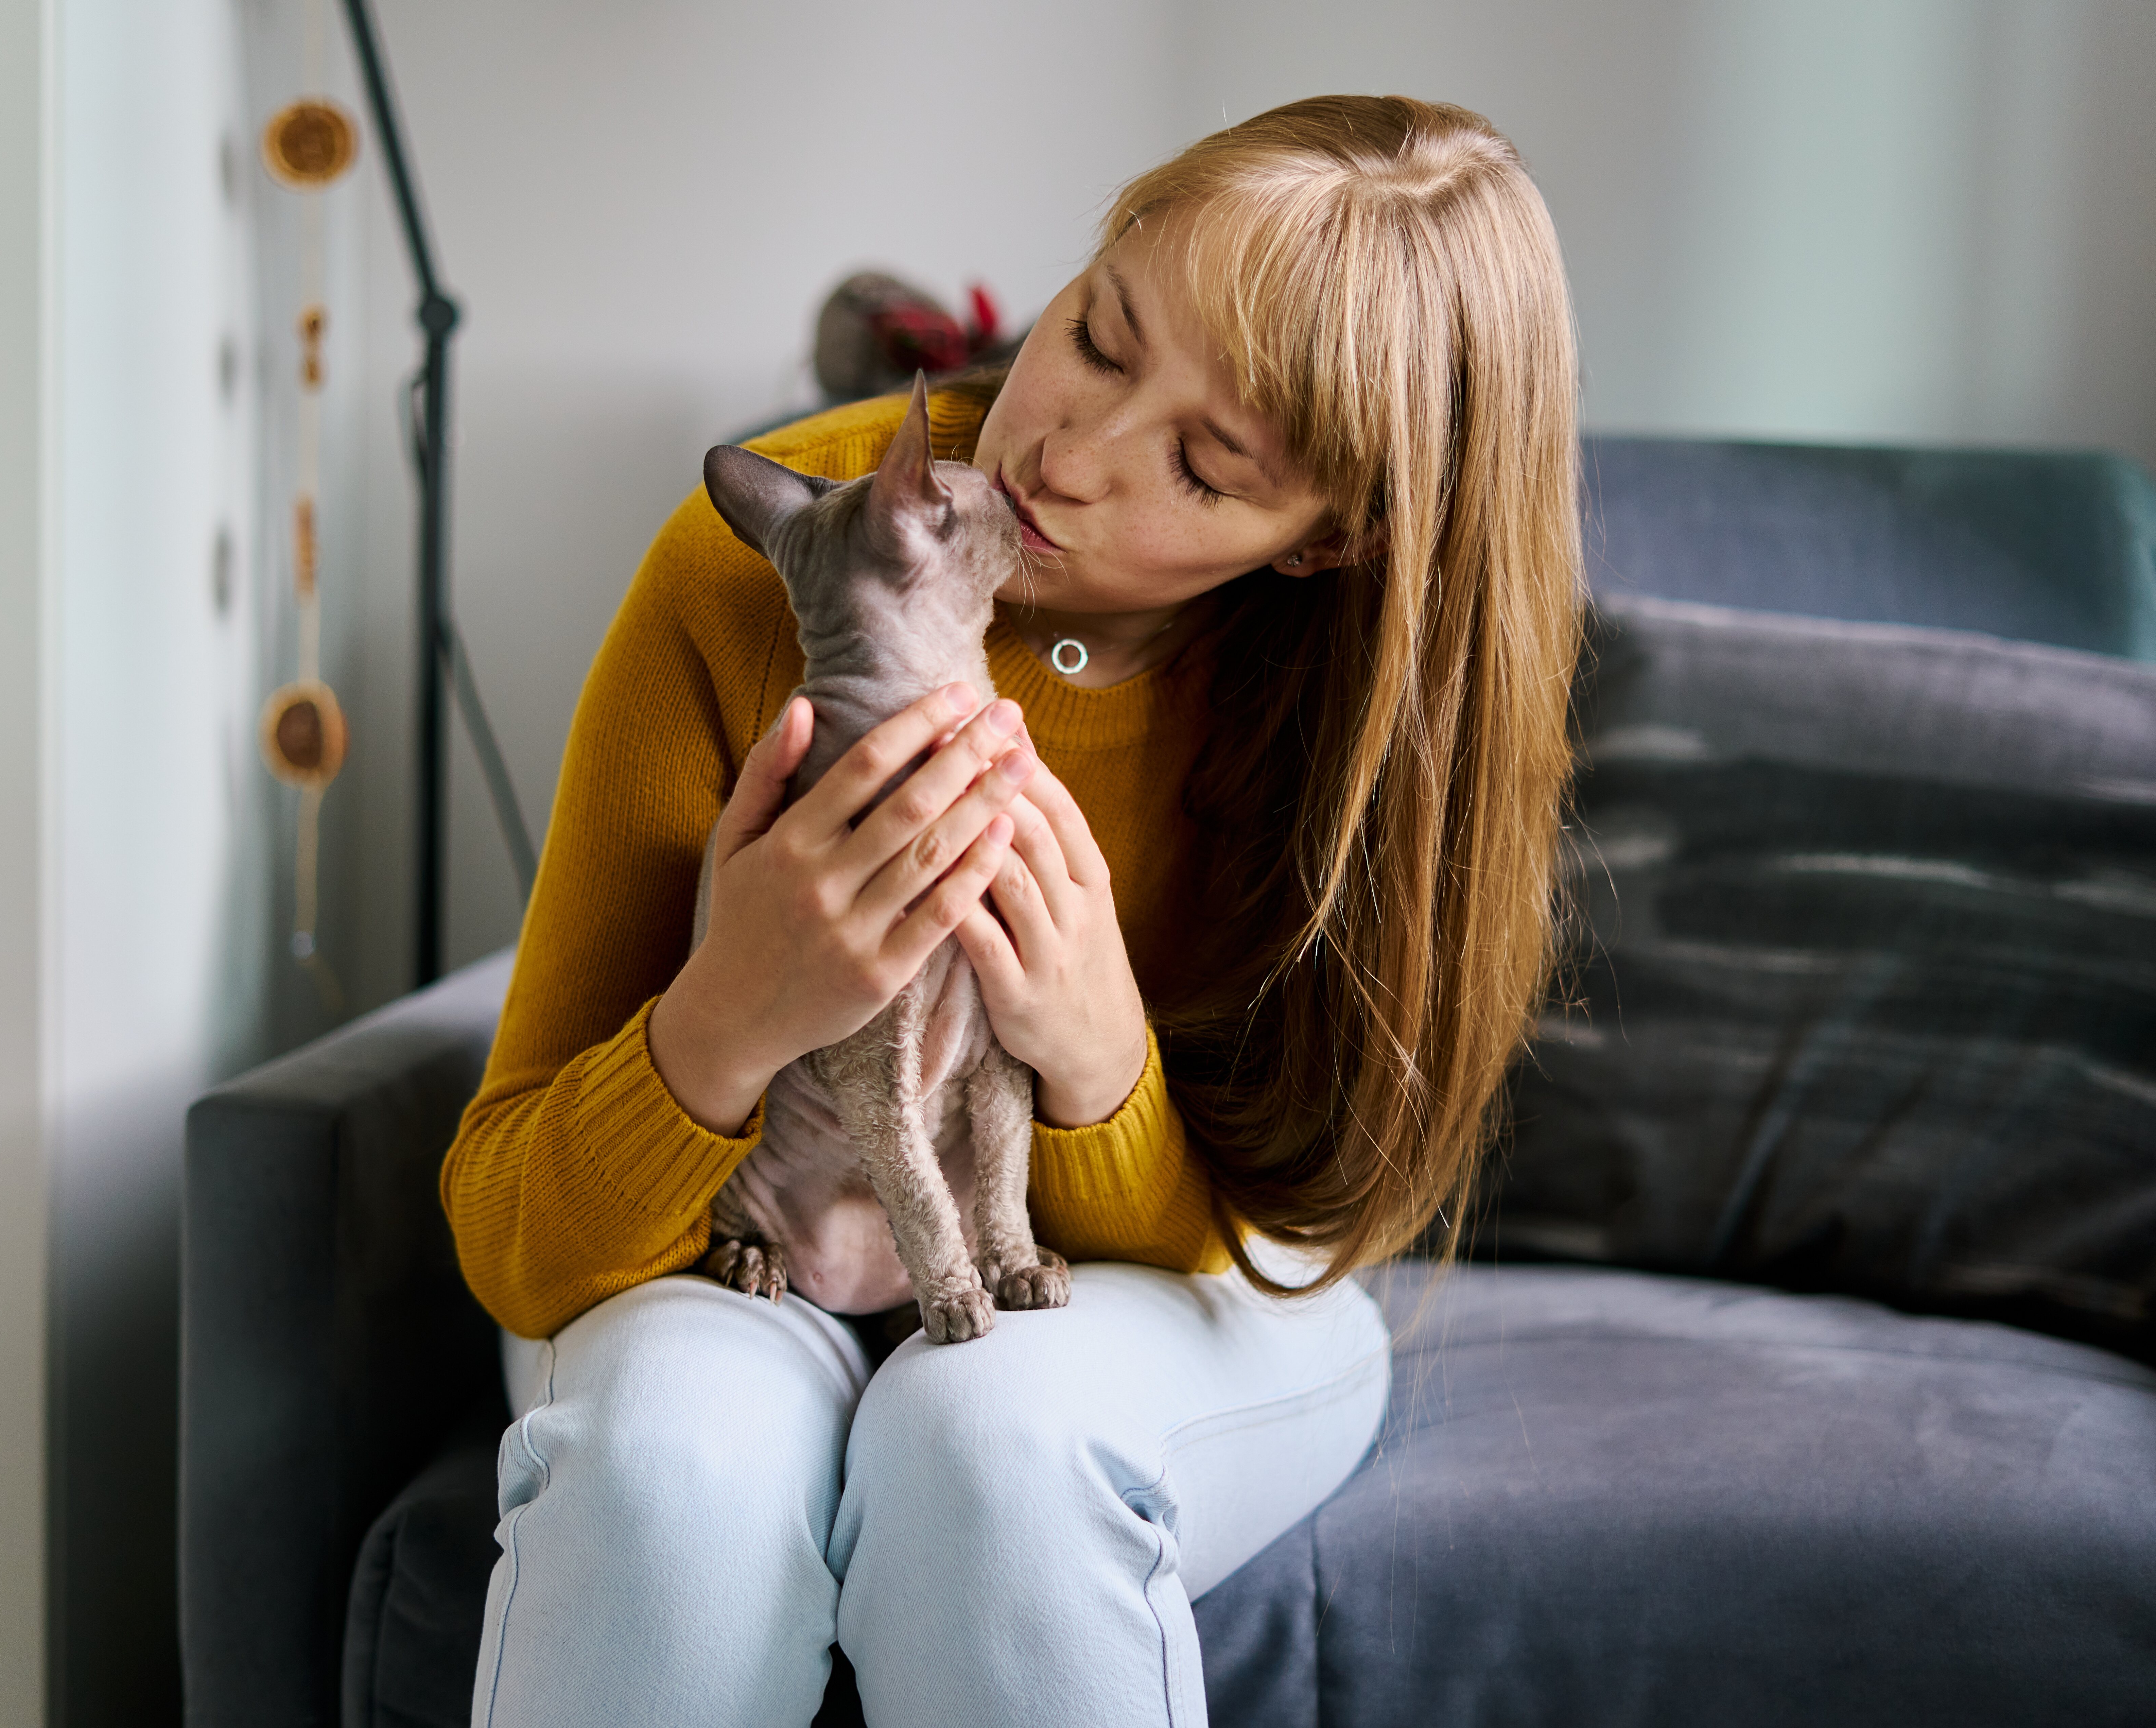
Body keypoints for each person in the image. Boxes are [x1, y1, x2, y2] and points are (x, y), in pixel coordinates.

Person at [442, 93, 1584, 1728]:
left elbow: (1304, 1229)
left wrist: (1094, 1062)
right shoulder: (776, 551)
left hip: (1175, 1286)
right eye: (1099, 334)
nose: (1064, 455)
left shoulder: (1374, 709)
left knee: (993, 1441)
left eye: (1202, 464)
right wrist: (725, 1019)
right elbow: (513, 1232)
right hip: (761, 1250)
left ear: (1334, 537)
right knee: (669, 1469)